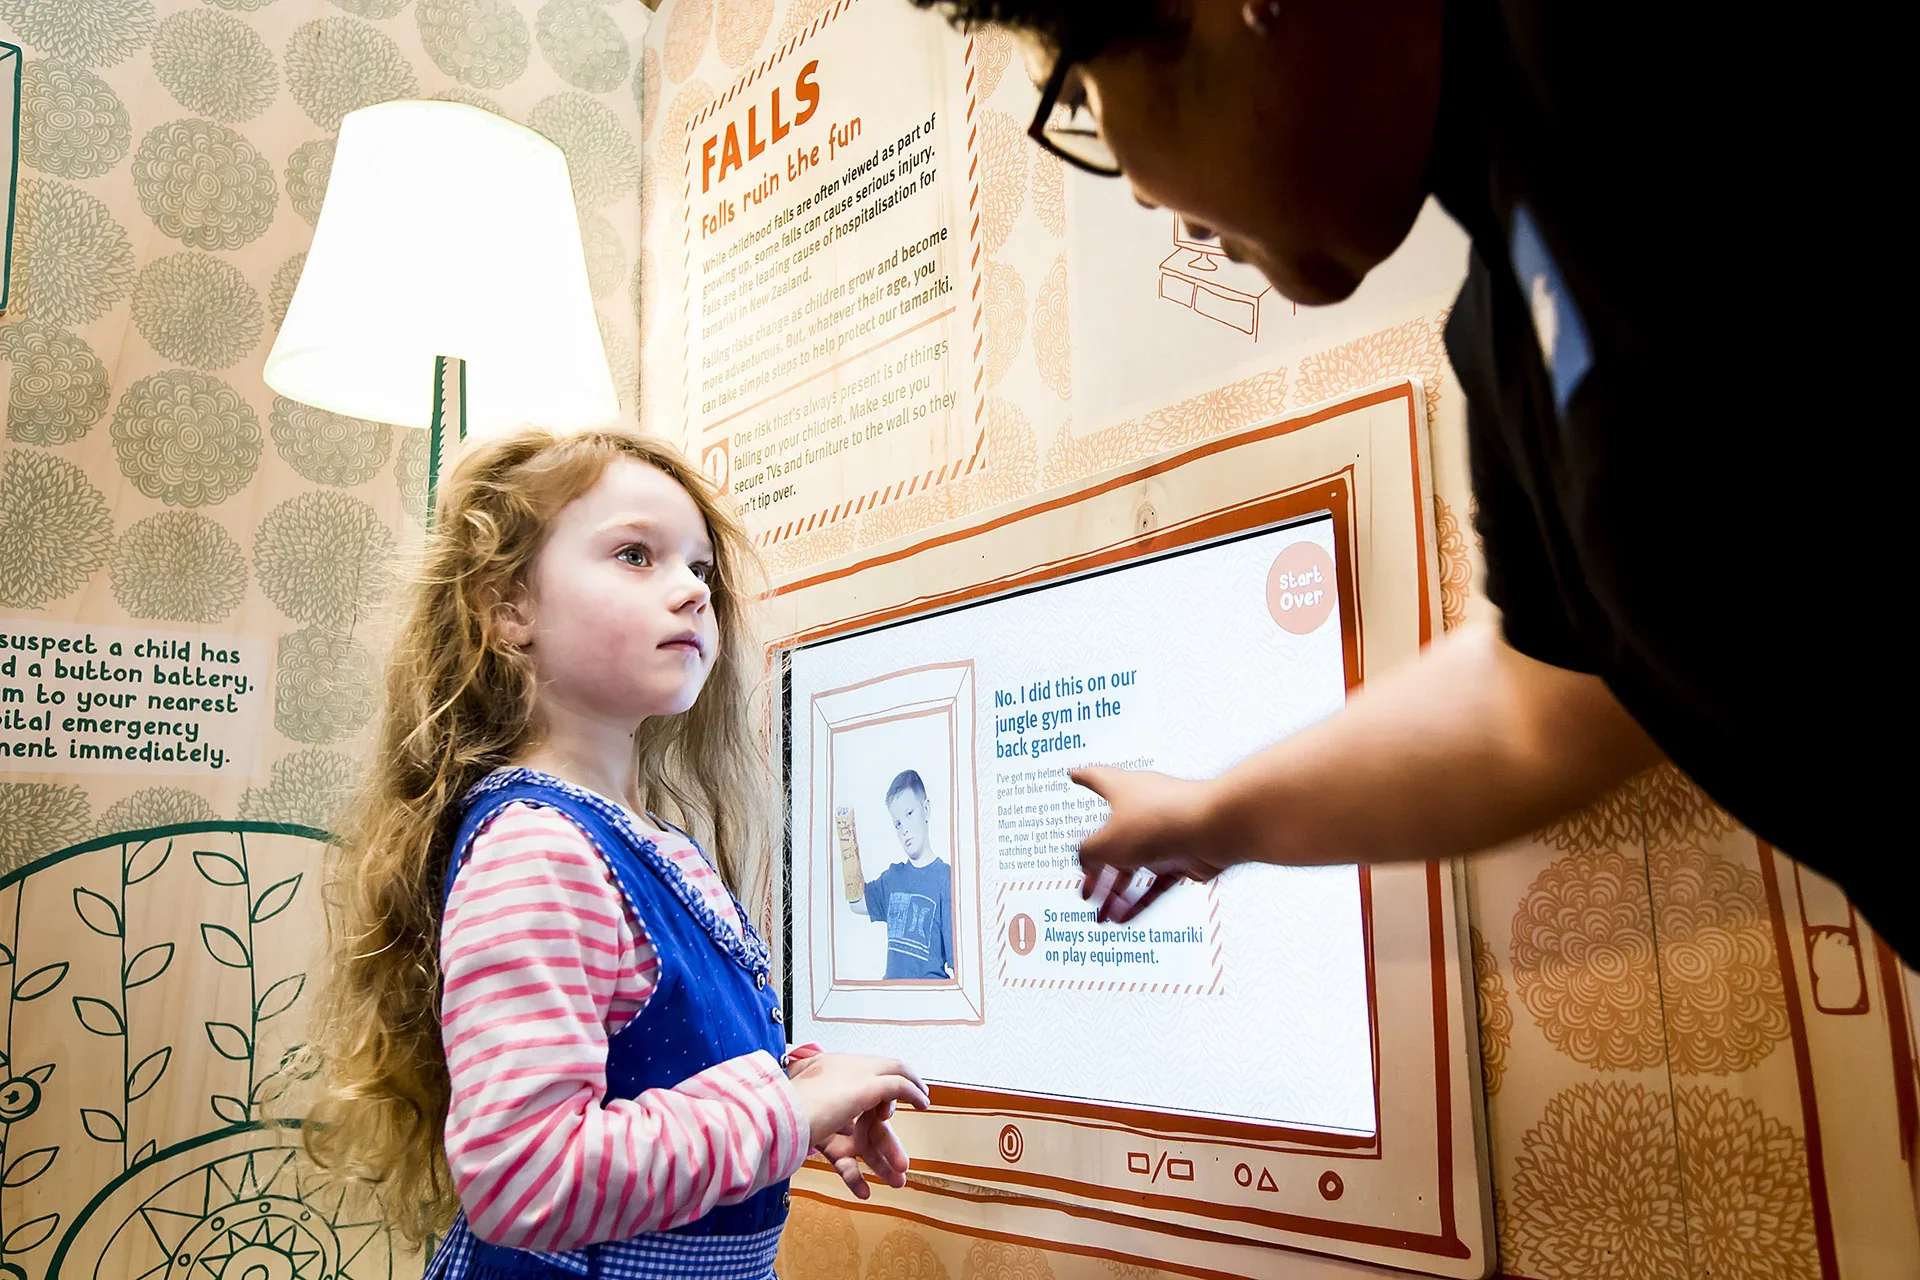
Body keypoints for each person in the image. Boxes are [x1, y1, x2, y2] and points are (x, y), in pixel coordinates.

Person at [902, 2, 1895, 965]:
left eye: (1084, 98)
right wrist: (1209, 817)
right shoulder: (1503, 326)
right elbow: (1540, 703)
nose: (1140, 197)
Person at [296, 427, 928, 1277]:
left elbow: (657, 1059)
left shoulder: (654, 842)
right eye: (636, 555)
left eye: (700, 569)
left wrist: (798, 1085)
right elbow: (524, 1179)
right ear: (507, 608)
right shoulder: (538, 849)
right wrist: (782, 1114)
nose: (693, 591)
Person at [842, 770, 956, 980]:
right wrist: (846, 834)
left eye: (909, 814)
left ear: (926, 810)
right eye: (898, 823)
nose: (904, 829)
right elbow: (857, 903)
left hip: (929, 995)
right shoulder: (892, 878)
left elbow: (959, 966)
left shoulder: (947, 878)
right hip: (891, 995)